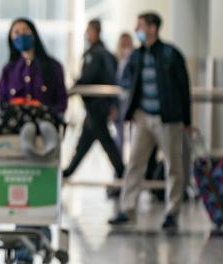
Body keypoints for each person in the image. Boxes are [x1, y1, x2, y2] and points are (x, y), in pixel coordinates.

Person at [109, 12, 191, 230]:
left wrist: (187, 120)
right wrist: (130, 113)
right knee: (135, 163)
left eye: (141, 26)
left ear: (153, 28)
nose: (138, 30)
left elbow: (184, 89)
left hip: (167, 119)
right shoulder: (137, 55)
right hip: (143, 118)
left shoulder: (170, 54)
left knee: (174, 165)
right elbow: (128, 80)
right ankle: (127, 208)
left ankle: (172, 211)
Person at [0, 18, 68, 264]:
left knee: (40, 191)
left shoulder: (52, 67)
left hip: (46, 137)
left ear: (34, 34)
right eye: (16, 33)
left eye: (25, 31)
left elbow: (61, 102)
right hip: (17, 140)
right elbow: (2, 104)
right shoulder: (9, 70)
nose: (21, 36)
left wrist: (44, 114)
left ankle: (37, 241)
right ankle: (30, 247)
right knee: (21, 194)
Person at [63, 19, 124, 193]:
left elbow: (88, 77)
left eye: (88, 31)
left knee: (105, 142)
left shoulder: (95, 55)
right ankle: (68, 172)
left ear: (95, 31)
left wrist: (72, 89)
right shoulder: (105, 53)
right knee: (87, 141)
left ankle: (122, 172)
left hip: (97, 107)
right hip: (98, 107)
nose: (86, 34)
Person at [114, 32, 135, 153]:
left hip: (130, 99)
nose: (125, 46)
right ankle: (119, 166)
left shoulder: (134, 60)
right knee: (119, 132)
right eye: (123, 43)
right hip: (118, 99)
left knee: (133, 132)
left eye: (128, 43)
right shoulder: (116, 60)